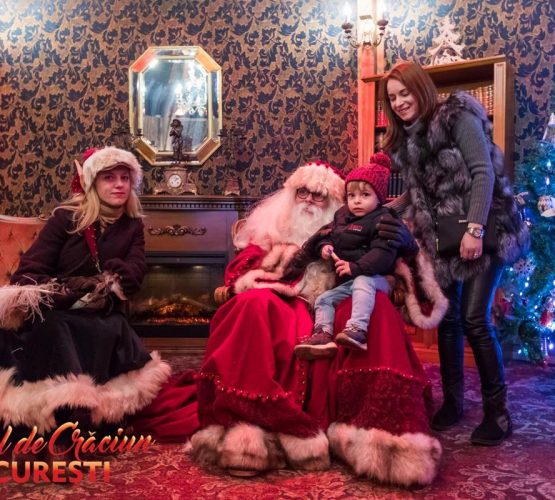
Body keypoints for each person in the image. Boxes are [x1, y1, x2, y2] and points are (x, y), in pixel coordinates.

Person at [134, 160, 447, 487]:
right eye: (302, 193)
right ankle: (247, 435)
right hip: (285, 300)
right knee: (251, 306)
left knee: (376, 307)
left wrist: (407, 247)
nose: (309, 200)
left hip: (339, 298)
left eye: (319, 195)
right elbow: (243, 269)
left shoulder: (362, 228)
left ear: (335, 202)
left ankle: (379, 438)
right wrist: (289, 261)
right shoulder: (273, 232)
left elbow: (400, 272)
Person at [380, 61, 529, 446]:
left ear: (420, 88)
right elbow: (417, 193)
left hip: (487, 228)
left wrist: (474, 229)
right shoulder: (409, 141)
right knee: (448, 321)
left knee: (474, 319)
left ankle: (498, 414)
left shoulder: (456, 115)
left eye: (404, 93)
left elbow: (483, 172)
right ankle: (453, 403)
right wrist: (378, 211)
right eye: (392, 98)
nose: (399, 102)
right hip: (444, 238)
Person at [0, 146, 171, 451]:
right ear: (93, 182)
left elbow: (134, 275)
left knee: (107, 327)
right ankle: (62, 416)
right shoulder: (66, 218)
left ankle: (88, 416)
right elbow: (28, 273)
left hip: (102, 311)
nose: (119, 185)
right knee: (55, 327)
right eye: (109, 178)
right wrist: (66, 290)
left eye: (125, 178)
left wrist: (110, 278)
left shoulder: (132, 225)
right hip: (59, 308)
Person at [294, 153, 399, 357]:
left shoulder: (385, 219)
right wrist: (325, 246)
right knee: (324, 298)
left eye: (365, 195)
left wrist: (355, 267)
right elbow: (328, 234)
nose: (357, 201)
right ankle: (323, 334)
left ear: (379, 197)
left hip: (377, 278)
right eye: (351, 196)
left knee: (362, 281)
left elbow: (383, 254)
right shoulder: (342, 216)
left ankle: (357, 330)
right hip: (351, 281)